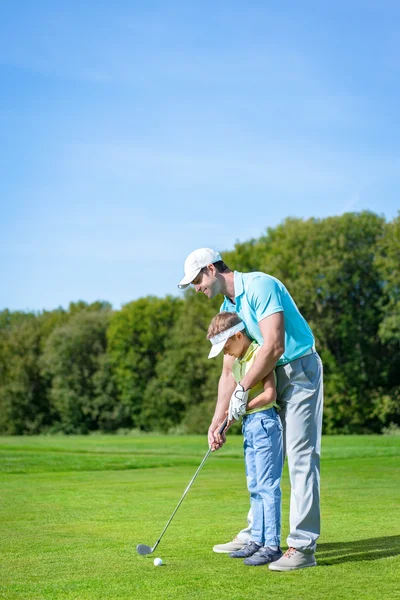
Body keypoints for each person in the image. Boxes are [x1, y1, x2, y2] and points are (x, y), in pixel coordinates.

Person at [178, 248, 323, 571]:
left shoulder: (260, 286)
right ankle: (257, 534)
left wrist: (244, 391)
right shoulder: (228, 307)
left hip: (299, 370)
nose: (196, 288)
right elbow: (229, 370)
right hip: (265, 373)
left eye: (197, 280)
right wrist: (219, 420)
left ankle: (302, 546)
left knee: (300, 458)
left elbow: (274, 346)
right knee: (262, 468)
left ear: (212, 270)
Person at [207, 311, 283, 566]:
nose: (225, 352)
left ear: (238, 336)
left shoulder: (259, 354)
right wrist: (225, 422)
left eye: (226, 345)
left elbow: (270, 395)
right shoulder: (238, 361)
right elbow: (238, 404)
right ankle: (257, 540)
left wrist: (244, 405)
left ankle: (272, 544)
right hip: (251, 425)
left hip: (265, 422)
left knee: (267, 485)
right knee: (254, 485)